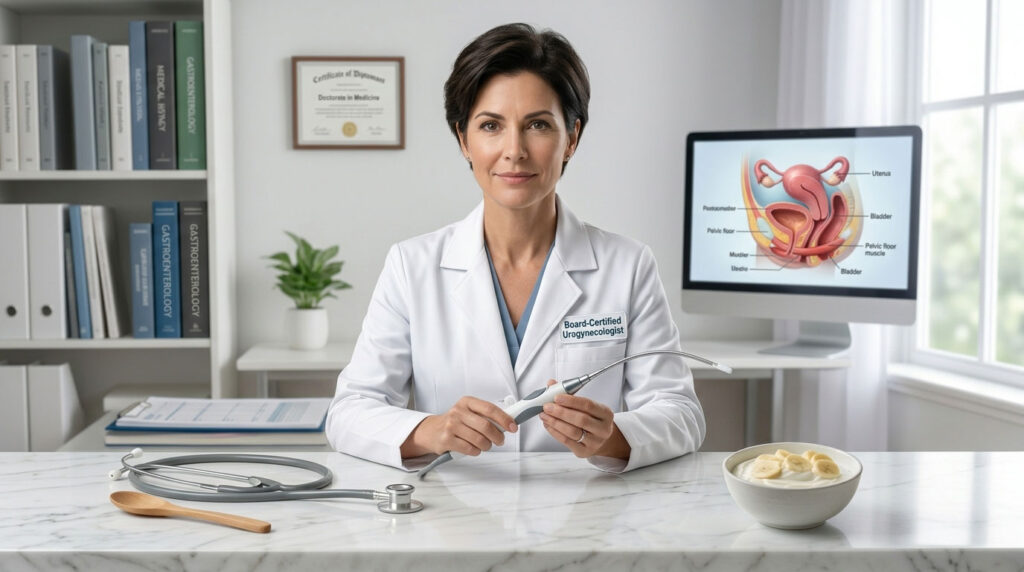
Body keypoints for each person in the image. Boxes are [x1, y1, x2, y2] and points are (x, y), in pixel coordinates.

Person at [326, 23, 705, 473]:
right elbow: (349, 412)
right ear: (464, 140)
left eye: (538, 125)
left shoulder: (628, 266)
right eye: (491, 126)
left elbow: (681, 414)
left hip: (587, 519)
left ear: (572, 138)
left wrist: (615, 437)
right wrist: (432, 430)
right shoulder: (413, 265)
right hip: (456, 518)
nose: (514, 150)